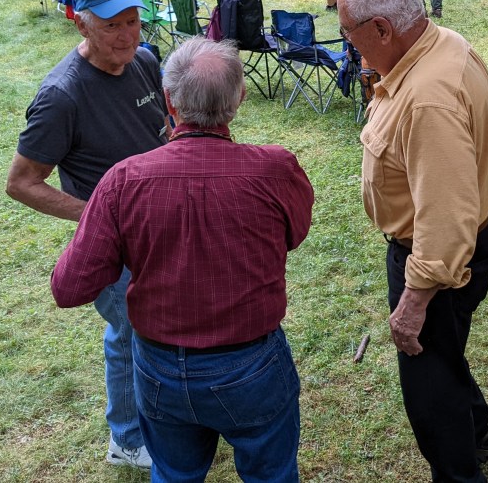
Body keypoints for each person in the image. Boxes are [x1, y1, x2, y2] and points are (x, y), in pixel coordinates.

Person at [51, 38, 314, 483]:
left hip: (159, 369)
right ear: (239, 99)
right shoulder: (275, 169)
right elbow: (294, 234)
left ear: (169, 101)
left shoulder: (124, 181)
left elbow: (69, 286)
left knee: (174, 475)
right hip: (250, 363)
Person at [336, 0, 488, 483]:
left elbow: (445, 214)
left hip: (434, 263)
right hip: (458, 249)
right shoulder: (439, 45)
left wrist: (414, 302)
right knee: (446, 355)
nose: (349, 46)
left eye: (350, 33)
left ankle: (461, 469)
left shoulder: (428, 97)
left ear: (383, 29)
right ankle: (481, 433)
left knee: (429, 391)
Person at [5, 0, 167, 471]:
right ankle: (128, 437)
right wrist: (99, 217)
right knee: (130, 334)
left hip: (161, 230)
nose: (127, 36)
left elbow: (162, 127)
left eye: (134, 21)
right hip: (116, 247)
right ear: (81, 25)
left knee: (154, 329)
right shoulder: (62, 96)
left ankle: (162, 418)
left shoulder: (142, 61)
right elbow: (21, 182)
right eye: (113, 25)